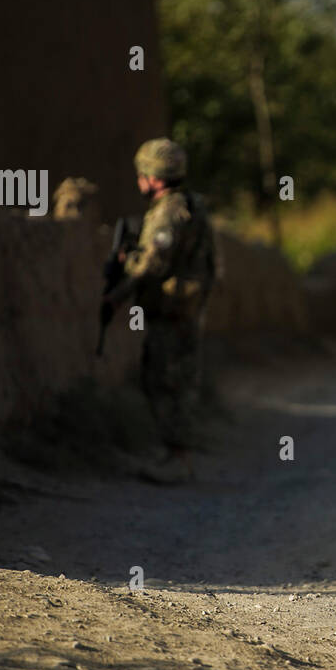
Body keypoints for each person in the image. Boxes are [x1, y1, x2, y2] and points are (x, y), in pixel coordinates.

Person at [103, 138, 217, 484]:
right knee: (176, 379)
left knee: (166, 380)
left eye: (142, 173)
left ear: (153, 177)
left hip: (172, 308)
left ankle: (177, 458)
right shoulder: (189, 205)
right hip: (183, 306)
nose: (139, 180)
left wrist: (120, 287)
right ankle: (175, 455)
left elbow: (153, 262)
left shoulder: (168, 211)